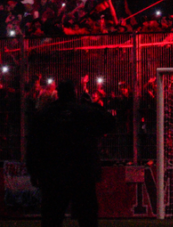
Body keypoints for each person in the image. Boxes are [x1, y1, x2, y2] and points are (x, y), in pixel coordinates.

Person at [27, 80, 116, 227]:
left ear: (58, 94)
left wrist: (34, 171)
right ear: (74, 93)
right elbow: (110, 122)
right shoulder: (85, 111)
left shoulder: (46, 113)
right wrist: (91, 104)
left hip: (54, 172)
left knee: (51, 217)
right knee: (87, 217)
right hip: (82, 172)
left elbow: (34, 144)